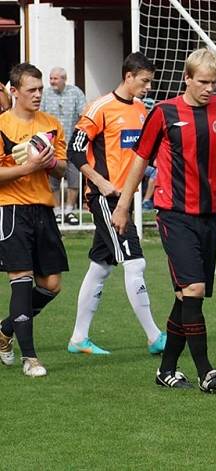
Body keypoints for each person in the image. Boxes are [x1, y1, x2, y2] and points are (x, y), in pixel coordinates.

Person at [111, 48, 216, 393]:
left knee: (184, 296)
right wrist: (124, 205)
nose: (208, 89)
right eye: (202, 82)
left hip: (209, 216)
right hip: (174, 214)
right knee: (194, 290)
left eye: (214, 83)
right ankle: (206, 371)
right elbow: (140, 162)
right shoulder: (164, 112)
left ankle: (167, 369)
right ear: (186, 78)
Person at [66, 52, 165, 355]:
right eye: (145, 81)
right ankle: (155, 337)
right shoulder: (99, 108)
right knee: (135, 261)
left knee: (101, 266)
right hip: (106, 199)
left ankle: (78, 339)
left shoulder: (140, 110)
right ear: (129, 76)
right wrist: (100, 182)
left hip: (125, 199)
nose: (148, 87)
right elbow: (75, 150)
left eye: (151, 81)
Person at [0, 63, 68, 377]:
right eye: (32, 90)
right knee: (22, 281)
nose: (38, 95)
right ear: (14, 92)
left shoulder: (51, 124)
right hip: (11, 209)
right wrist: (27, 168)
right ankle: (31, 358)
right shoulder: (2, 125)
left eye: (40, 89)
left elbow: (62, 169)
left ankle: (4, 330)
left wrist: (49, 160)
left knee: (51, 285)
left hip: (43, 209)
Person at [41, 67, 86, 225]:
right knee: (53, 179)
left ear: (64, 79)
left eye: (55, 78)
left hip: (72, 143)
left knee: (74, 178)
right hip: (52, 144)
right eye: (51, 78)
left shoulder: (75, 93)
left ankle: (69, 210)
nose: (52, 81)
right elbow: (40, 115)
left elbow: (83, 115)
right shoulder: (45, 94)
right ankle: (57, 210)